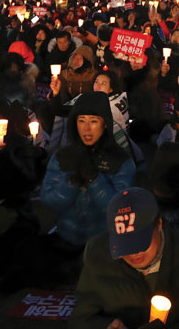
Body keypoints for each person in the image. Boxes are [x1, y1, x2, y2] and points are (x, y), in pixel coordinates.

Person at [71, 187, 179, 328]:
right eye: (125, 246)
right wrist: (104, 325)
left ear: (159, 224)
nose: (134, 253)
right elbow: (81, 317)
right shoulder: (99, 255)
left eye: (140, 242)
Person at [41, 91, 136, 250]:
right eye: (81, 121)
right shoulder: (63, 157)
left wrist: (94, 180)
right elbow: (48, 200)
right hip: (65, 239)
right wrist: (71, 182)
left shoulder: (120, 160)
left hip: (103, 244)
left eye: (93, 121)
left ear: (105, 123)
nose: (86, 128)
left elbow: (120, 209)